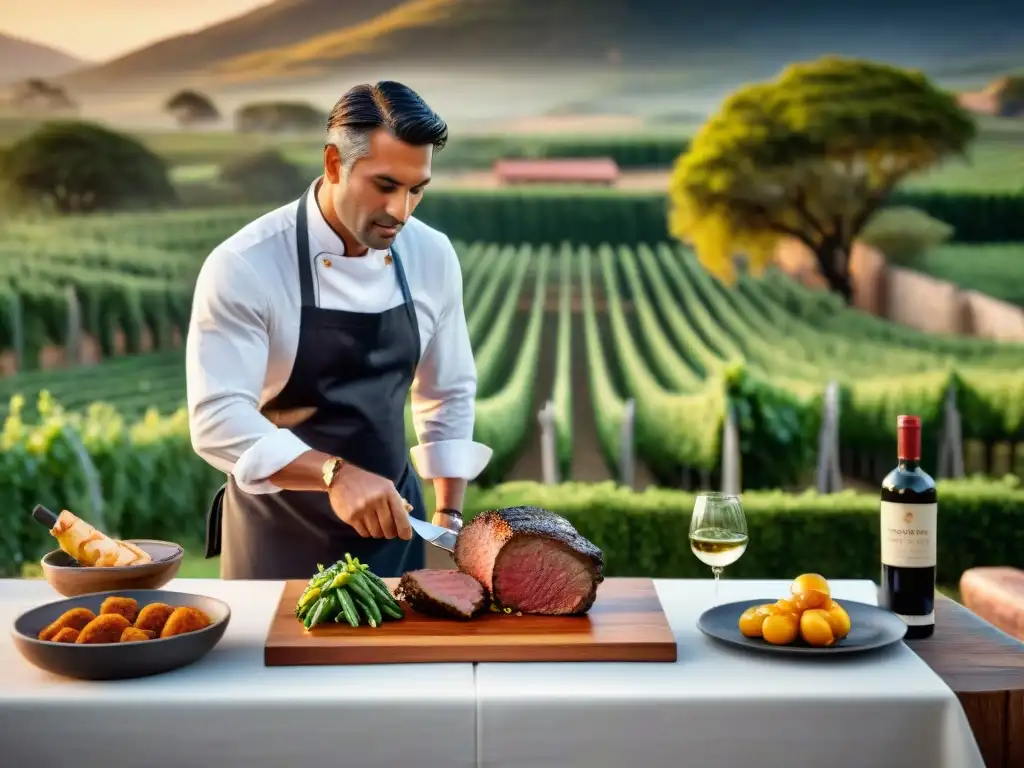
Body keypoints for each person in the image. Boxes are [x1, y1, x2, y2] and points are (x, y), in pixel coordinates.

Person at [186, 81, 492, 580]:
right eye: (385, 185)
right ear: (334, 164)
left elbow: (448, 389)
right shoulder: (246, 264)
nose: (402, 211)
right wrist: (334, 474)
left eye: (417, 189)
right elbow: (216, 418)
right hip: (277, 536)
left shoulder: (431, 255)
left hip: (395, 530)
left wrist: (448, 515)